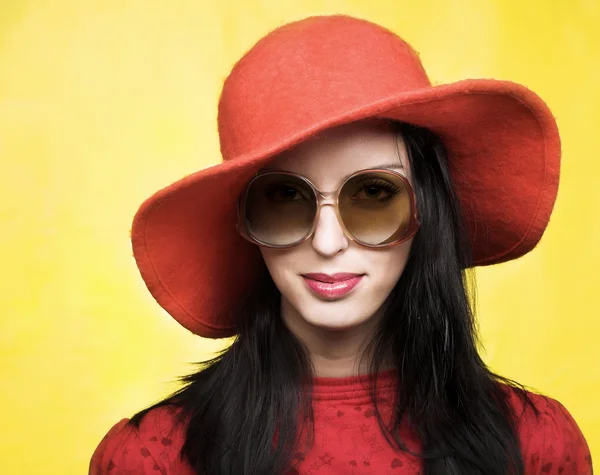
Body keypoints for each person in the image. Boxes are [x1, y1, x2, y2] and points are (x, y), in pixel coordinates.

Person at [89, 14, 593, 475]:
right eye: (286, 195)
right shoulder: (153, 458)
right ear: (245, 221)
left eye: (374, 192)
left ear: (426, 209)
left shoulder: (536, 446)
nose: (328, 242)